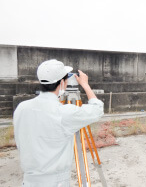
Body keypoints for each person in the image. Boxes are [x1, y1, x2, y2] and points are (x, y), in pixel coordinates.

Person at [13, 59, 104, 187]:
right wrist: (85, 85)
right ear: (62, 82)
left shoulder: (21, 108)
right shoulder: (64, 113)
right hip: (55, 182)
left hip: (28, 181)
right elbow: (97, 110)